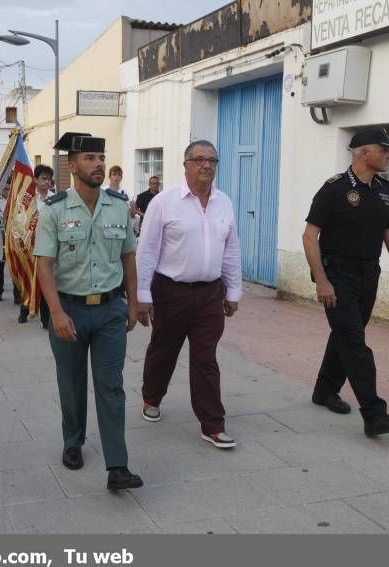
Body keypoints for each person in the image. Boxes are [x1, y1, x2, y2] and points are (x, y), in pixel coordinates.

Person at [34, 132, 143, 491]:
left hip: (111, 310)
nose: (98, 164)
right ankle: (73, 441)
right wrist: (56, 312)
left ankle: (117, 465)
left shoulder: (118, 206)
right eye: (90, 158)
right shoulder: (55, 209)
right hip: (69, 310)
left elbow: (129, 255)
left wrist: (133, 301)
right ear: (73, 165)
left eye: (101, 157)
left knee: (111, 386)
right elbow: (44, 266)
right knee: (72, 382)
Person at [302, 128, 389, 437]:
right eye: (385, 149)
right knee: (354, 341)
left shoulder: (382, 189)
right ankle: (374, 414)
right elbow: (310, 236)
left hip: (369, 274)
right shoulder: (334, 189)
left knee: (347, 333)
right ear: (365, 153)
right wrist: (321, 281)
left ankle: (325, 390)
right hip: (337, 275)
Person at [136, 141, 242, 449]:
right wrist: (143, 295)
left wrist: (233, 290)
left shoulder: (224, 203)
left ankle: (212, 424)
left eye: (211, 160)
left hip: (210, 294)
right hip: (171, 292)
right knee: (164, 350)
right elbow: (147, 250)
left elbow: (231, 249)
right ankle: (151, 397)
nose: (206, 165)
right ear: (186, 165)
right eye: (199, 160)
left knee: (205, 357)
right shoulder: (164, 202)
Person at [33, 164, 55, 328]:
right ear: (35, 179)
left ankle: (46, 318)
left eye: (49, 179)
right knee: (30, 279)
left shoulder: (55, 199)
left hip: (48, 247)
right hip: (30, 246)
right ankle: (25, 307)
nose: (47, 182)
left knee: (47, 280)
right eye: (43, 178)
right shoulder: (28, 199)